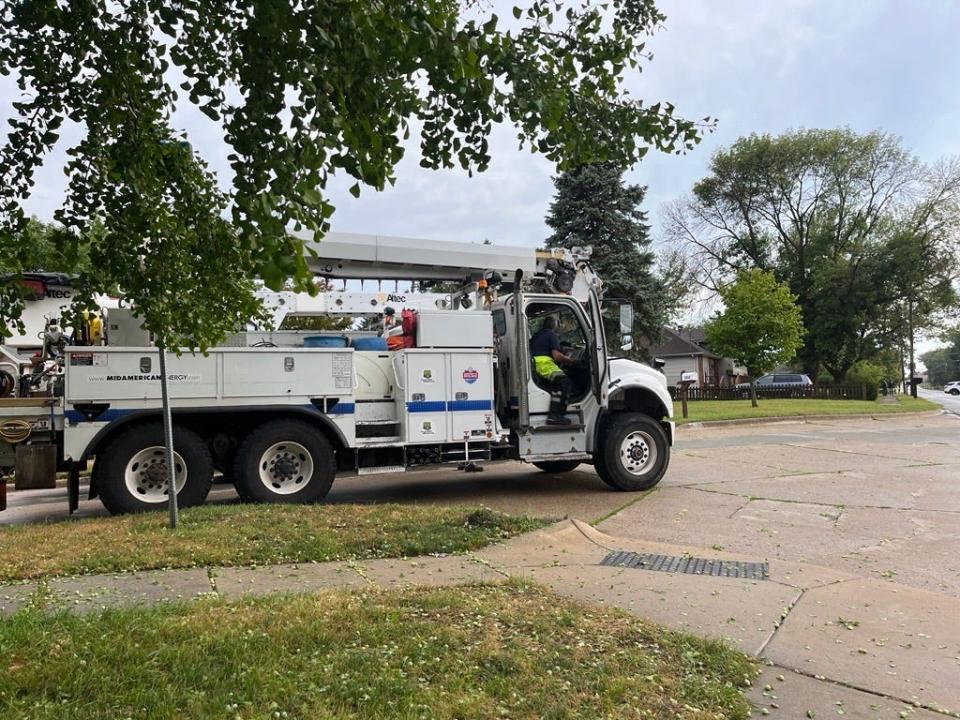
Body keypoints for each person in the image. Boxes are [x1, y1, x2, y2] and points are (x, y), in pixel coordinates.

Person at [530, 315, 576, 425]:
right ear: (555, 325)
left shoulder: (537, 335)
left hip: (536, 363)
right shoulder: (551, 335)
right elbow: (556, 356)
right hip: (543, 365)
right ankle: (555, 415)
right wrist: (570, 361)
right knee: (565, 382)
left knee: (558, 383)